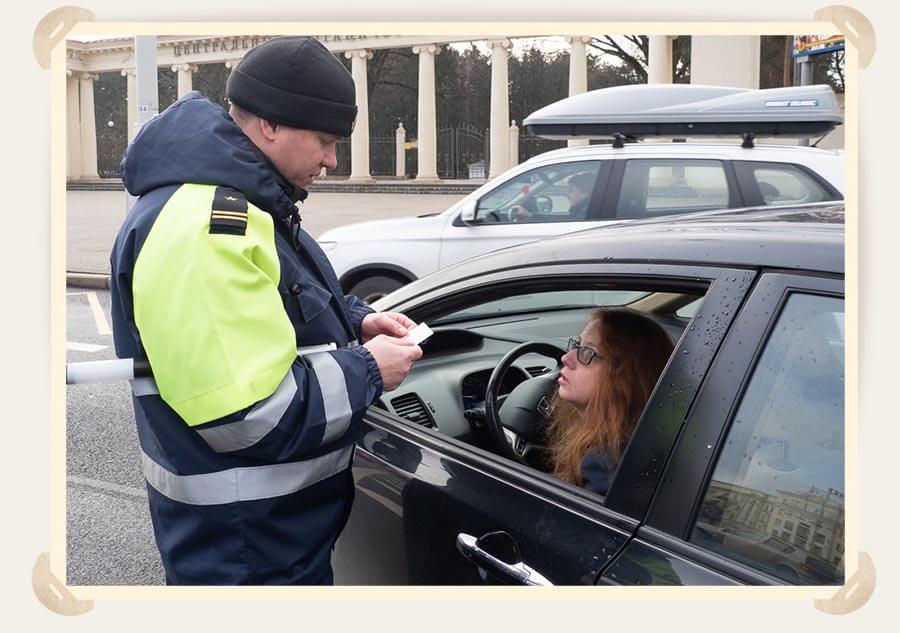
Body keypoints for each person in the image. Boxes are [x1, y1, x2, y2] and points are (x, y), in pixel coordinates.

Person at [109, 36, 422, 585]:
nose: (331, 160)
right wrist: (370, 367)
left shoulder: (240, 199)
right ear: (270, 126)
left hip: (263, 536)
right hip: (245, 551)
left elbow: (273, 298)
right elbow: (252, 418)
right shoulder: (206, 227)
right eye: (324, 140)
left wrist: (355, 320)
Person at [546, 308, 674, 495]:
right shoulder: (642, 438)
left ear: (625, 378)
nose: (566, 358)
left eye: (588, 352)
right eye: (577, 346)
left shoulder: (604, 463)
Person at [511, 171, 594, 222]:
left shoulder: (585, 214)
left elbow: (563, 230)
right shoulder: (583, 212)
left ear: (586, 193)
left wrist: (529, 215)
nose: (567, 196)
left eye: (571, 191)